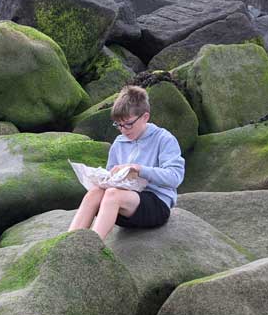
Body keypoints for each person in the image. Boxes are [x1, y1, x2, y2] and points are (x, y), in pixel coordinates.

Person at [68, 85, 185, 239]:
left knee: (112, 194)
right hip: (124, 207)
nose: (124, 130)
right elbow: (111, 174)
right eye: (119, 125)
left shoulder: (163, 139)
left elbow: (175, 177)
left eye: (128, 124)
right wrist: (104, 179)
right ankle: (69, 241)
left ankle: (92, 247)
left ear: (145, 117)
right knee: (94, 193)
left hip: (156, 205)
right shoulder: (119, 142)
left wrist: (139, 169)